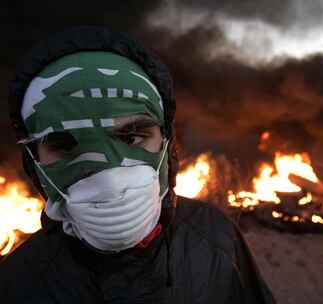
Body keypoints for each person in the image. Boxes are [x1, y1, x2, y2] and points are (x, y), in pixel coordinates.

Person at [0, 26, 276, 303]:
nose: (108, 179)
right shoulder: (17, 286)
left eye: (132, 137)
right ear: (34, 162)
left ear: (166, 141)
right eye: (64, 146)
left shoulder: (216, 237)